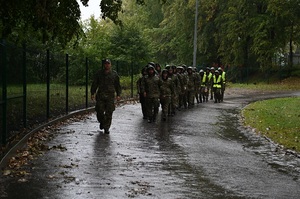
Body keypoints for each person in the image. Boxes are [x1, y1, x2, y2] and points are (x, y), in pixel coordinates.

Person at [91, 59, 122, 134]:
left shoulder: (114, 74)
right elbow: (95, 83)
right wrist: (92, 93)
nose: (107, 65)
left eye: (108, 64)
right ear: (103, 65)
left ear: (110, 65)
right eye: (105, 64)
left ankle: (106, 127)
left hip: (110, 96)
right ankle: (102, 122)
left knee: (109, 112)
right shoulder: (99, 73)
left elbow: (117, 85)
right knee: (99, 111)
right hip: (101, 95)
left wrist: (118, 94)